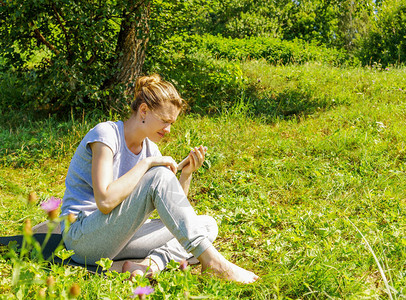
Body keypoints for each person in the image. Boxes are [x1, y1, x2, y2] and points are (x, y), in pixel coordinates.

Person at [60, 74, 258, 284]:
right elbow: (105, 201)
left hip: (117, 238)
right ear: (143, 111)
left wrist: (186, 174)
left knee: (206, 225)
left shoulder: (149, 148)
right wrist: (145, 164)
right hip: (82, 238)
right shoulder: (106, 135)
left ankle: (149, 265)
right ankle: (214, 264)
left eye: (171, 123)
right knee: (160, 178)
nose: (168, 129)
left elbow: (176, 217)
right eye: (164, 121)